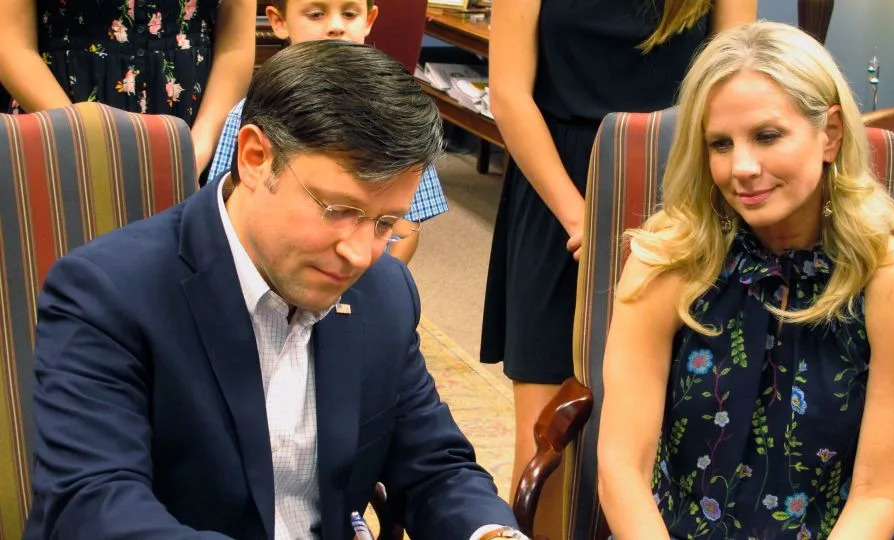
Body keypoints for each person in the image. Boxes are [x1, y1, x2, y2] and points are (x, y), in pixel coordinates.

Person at [25, 40, 524, 540]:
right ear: (255, 157)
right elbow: (97, 507)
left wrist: (491, 534)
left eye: (386, 222)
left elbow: (436, 468)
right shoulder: (108, 294)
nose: (360, 253)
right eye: (338, 211)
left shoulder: (384, 291)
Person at [597, 21, 894, 539]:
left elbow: (878, 492)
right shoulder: (666, 260)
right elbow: (623, 466)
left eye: (766, 136)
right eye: (719, 143)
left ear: (829, 134)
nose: (741, 167)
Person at [481, 0, 757, 521]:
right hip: (557, 188)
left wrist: (681, 219)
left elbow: (734, 77)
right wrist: (582, 219)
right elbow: (510, 95)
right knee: (547, 430)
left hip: (681, 189)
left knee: (686, 420)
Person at [206, 0, 448, 264]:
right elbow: (226, 208)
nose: (335, 27)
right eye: (316, 14)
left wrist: (371, 283)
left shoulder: (400, 117)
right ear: (278, 21)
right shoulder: (251, 114)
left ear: (369, 19)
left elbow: (406, 230)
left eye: (349, 13)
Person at [0, 0, 255, 174]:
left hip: (196, 125)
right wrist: (82, 138)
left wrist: (196, 149)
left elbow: (235, 46)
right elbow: (11, 43)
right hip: (59, 124)